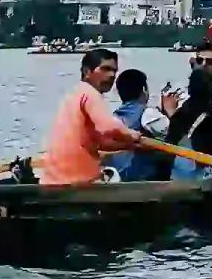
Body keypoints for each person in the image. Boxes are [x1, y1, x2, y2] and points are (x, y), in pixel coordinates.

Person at [37, 45, 152, 186]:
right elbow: (107, 126)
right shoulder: (89, 93)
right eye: (105, 69)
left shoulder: (74, 94)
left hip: (56, 179)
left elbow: (102, 143)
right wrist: (131, 134)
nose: (111, 75)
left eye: (114, 71)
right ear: (87, 72)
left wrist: (130, 145)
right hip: (75, 180)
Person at [104, 65, 169, 179]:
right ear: (144, 90)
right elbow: (173, 136)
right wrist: (170, 112)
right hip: (142, 177)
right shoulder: (148, 113)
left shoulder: (114, 117)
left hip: (119, 175)